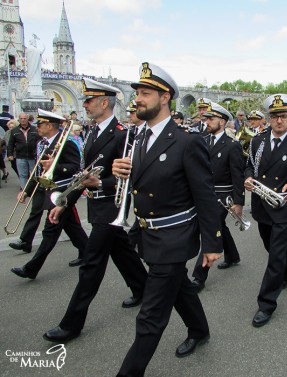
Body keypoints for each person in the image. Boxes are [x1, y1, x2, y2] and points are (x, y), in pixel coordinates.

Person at [113, 62, 222, 376]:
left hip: (174, 238)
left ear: (165, 98)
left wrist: (212, 242)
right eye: (137, 93)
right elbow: (144, 182)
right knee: (180, 288)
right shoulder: (139, 138)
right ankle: (200, 330)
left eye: (145, 93)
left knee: (150, 316)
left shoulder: (187, 142)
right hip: (147, 234)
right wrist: (116, 173)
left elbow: (204, 195)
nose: (138, 99)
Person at [43, 78, 148, 343]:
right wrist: (63, 202)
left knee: (91, 265)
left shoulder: (123, 133)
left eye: (89, 100)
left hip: (111, 207)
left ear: (104, 102)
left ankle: (71, 324)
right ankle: (144, 288)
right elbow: (84, 176)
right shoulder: (91, 132)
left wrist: (101, 182)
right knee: (122, 252)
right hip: (96, 204)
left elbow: (131, 176)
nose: (85, 104)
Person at [244, 93, 287, 327]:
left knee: (275, 255)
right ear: (269, 118)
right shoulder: (257, 141)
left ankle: (266, 304)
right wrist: (247, 178)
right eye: (275, 116)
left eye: (284, 116)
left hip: (284, 206)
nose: (279, 121)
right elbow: (249, 166)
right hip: (262, 204)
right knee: (270, 246)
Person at [10, 109, 87, 279]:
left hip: (61, 191)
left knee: (50, 231)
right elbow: (38, 170)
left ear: (50, 125)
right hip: (47, 189)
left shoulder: (66, 143)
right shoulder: (43, 142)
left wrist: (55, 166)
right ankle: (87, 251)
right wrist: (26, 191)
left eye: (40, 124)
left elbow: (76, 168)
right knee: (71, 227)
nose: (37, 126)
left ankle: (31, 269)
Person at [190, 102, 245, 292]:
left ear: (222, 122)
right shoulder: (202, 140)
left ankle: (198, 276)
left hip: (223, 195)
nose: (207, 122)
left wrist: (238, 202)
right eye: (206, 118)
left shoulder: (232, 146)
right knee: (220, 227)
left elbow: (237, 176)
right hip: (204, 193)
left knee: (210, 230)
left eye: (211, 119)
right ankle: (233, 256)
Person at [7, 113, 39, 189]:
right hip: (20, 156)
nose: (23, 120)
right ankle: (24, 190)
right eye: (21, 118)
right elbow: (11, 143)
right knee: (22, 174)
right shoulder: (15, 130)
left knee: (35, 174)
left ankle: (35, 189)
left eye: (24, 118)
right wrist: (10, 154)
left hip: (33, 155)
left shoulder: (34, 129)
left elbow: (39, 141)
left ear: (27, 119)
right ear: (19, 119)